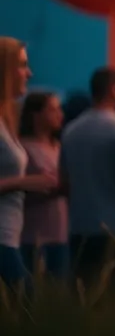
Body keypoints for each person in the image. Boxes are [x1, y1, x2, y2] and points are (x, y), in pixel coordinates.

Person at [61, 67, 115, 291]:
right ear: (114, 89)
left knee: (84, 295)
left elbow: (64, 182)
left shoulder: (71, 130)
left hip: (80, 227)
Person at [0, 38, 59, 287]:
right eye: (23, 65)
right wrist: (27, 182)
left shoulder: (6, 120)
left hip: (11, 238)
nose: (29, 73)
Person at [19, 91, 68, 281]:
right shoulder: (23, 148)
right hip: (33, 236)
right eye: (53, 109)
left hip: (61, 234)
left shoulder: (60, 147)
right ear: (35, 114)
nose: (60, 114)